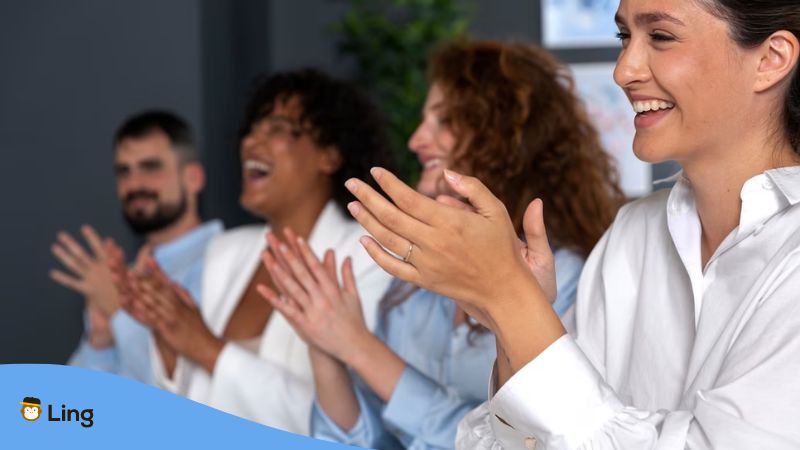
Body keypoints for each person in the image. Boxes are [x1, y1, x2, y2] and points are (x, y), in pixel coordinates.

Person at [342, 0, 800, 448]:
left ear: (770, 59)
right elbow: (506, 442)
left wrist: (511, 299)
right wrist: (511, 316)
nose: (624, 70)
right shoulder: (632, 233)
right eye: (625, 36)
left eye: (660, 36)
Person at [259, 40, 625, 449]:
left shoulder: (567, 278)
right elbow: (369, 441)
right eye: (422, 120)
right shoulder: (409, 292)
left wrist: (360, 348)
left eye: (445, 120)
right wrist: (324, 343)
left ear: (506, 135)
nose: (416, 140)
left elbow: (521, 439)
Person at [122, 69, 395, 434]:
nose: (251, 142)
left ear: (328, 156)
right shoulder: (226, 251)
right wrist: (169, 336)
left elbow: (350, 422)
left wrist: (207, 348)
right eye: (251, 129)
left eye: (277, 128)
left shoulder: (369, 254)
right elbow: (195, 396)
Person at [50, 110, 223, 383]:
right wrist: (101, 339)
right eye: (123, 172)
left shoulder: (227, 260)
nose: (134, 184)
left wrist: (119, 310)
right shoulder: (124, 276)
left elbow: (196, 389)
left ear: (193, 178)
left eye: (151, 167)